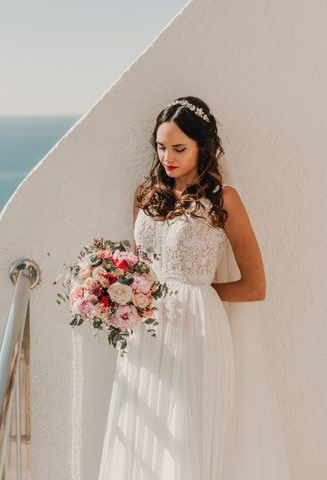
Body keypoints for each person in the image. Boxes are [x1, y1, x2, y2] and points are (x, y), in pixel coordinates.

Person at [97, 96, 289, 479]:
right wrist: (110, 289)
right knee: (145, 428)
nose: (168, 157)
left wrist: (196, 293)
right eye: (161, 147)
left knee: (187, 430)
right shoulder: (145, 196)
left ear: (203, 146)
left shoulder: (224, 201)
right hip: (146, 332)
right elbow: (141, 267)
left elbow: (256, 285)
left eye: (179, 148)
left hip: (198, 330)